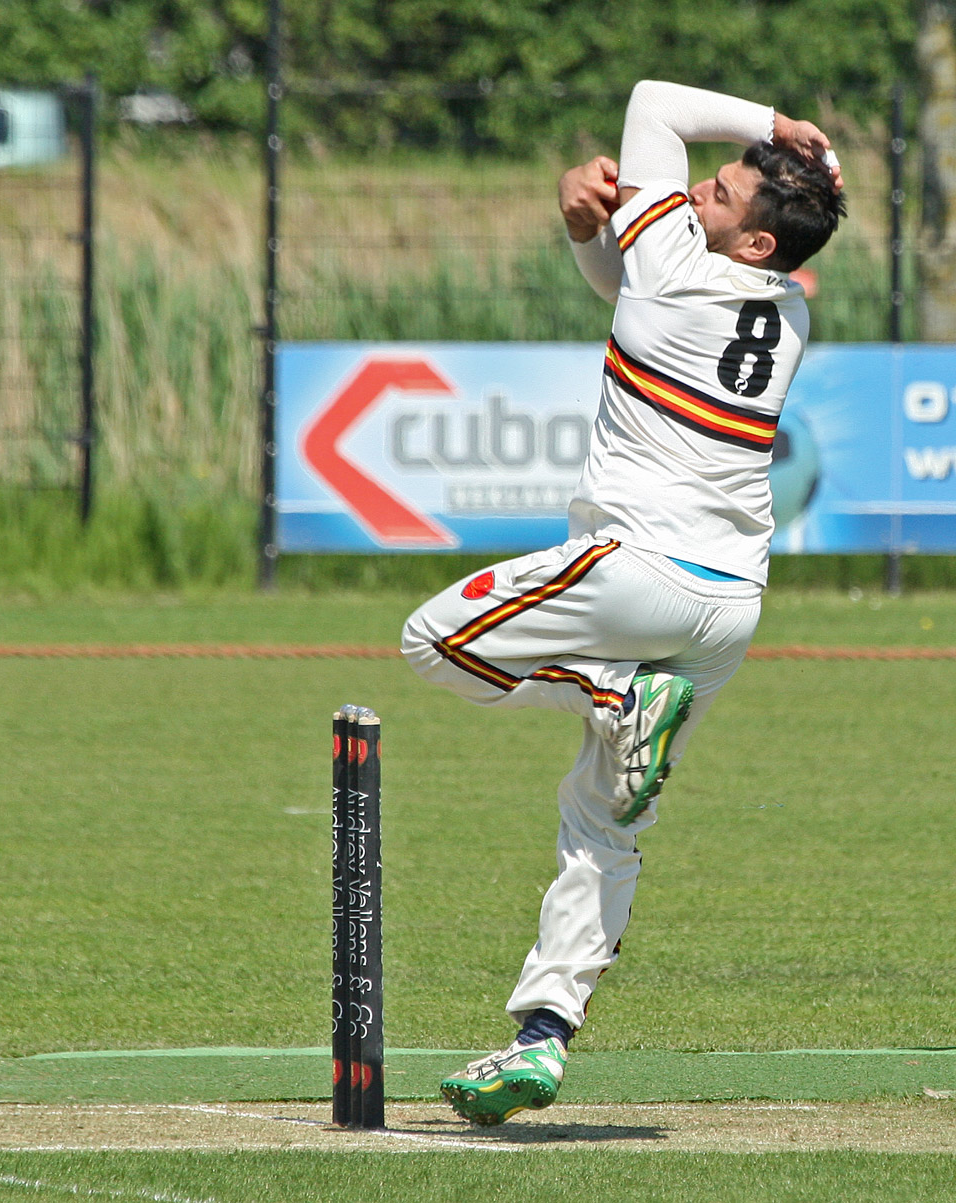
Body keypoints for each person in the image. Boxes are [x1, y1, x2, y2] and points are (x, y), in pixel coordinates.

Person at [401, 79, 845, 1127]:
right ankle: (542, 1037)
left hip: (634, 570)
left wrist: (771, 123)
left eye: (721, 192)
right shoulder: (782, 311)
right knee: (600, 819)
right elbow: (628, 285)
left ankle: (610, 695)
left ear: (755, 243)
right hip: (728, 609)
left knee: (432, 643)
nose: (696, 191)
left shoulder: (682, 273)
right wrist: (584, 230)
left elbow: (652, 104)